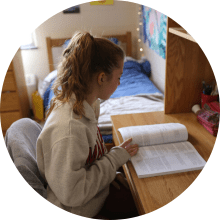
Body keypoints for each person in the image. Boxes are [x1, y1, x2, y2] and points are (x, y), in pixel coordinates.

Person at [36, 31, 139, 218]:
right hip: (81, 210)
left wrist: (109, 171)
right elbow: (72, 194)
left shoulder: (88, 105)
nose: (119, 82)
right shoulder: (69, 129)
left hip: (94, 195)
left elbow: (88, 159)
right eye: (118, 76)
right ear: (101, 78)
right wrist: (114, 160)